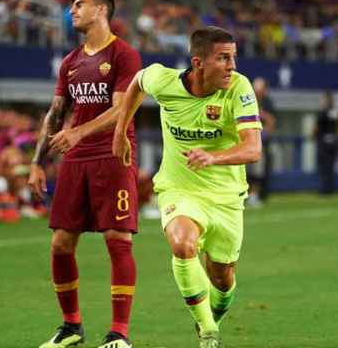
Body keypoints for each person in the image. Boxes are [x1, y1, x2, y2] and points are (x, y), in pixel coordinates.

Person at [111, 26, 262, 348]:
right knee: (182, 244)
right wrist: (121, 129)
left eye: (233, 58)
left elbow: (253, 149)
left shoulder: (239, 88)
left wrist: (213, 157)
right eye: (223, 58)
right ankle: (208, 331)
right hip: (179, 189)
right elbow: (137, 82)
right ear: (198, 63)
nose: (232, 66)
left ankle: (213, 318)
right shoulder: (164, 81)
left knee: (222, 276)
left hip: (226, 197)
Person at [27, 0, 142, 348]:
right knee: (61, 243)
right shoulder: (71, 62)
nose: (71, 11)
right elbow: (56, 113)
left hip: (113, 155)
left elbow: (122, 111)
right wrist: (37, 162)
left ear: (101, 8)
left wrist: (78, 132)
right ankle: (71, 327)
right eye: (71, 6)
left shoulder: (123, 54)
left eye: (78, 5)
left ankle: (118, 334)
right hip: (76, 160)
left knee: (117, 239)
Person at [247, 77, 276, 206]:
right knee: (247, 171)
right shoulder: (247, 101)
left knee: (258, 171)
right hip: (246, 140)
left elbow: (272, 123)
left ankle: (256, 195)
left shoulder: (268, 103)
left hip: (262, 142)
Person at [314, 91, 338, 195]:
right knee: (331, 166)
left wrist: (314, 135)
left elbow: (316, 127)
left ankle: (324, 189)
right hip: (333, 141)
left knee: (324, 166)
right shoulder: (335, 111)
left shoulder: (323, 112)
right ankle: (330, 189)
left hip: (324, 141)